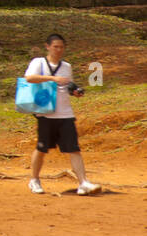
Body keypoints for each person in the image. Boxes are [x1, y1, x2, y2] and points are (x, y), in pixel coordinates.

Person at [24, 33, 101, 195]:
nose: (59, 50)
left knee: (74, 149)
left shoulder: (67, 66)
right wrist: (53, 78)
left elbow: (66, 86)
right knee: (42, 148)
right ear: (48, 47)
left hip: (65, 114)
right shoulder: (38, 62)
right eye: (55, 47)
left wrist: (75, 92)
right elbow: (29, 78)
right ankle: (34, 180)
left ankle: (83, 182)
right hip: (45, 113)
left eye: (61, 47)